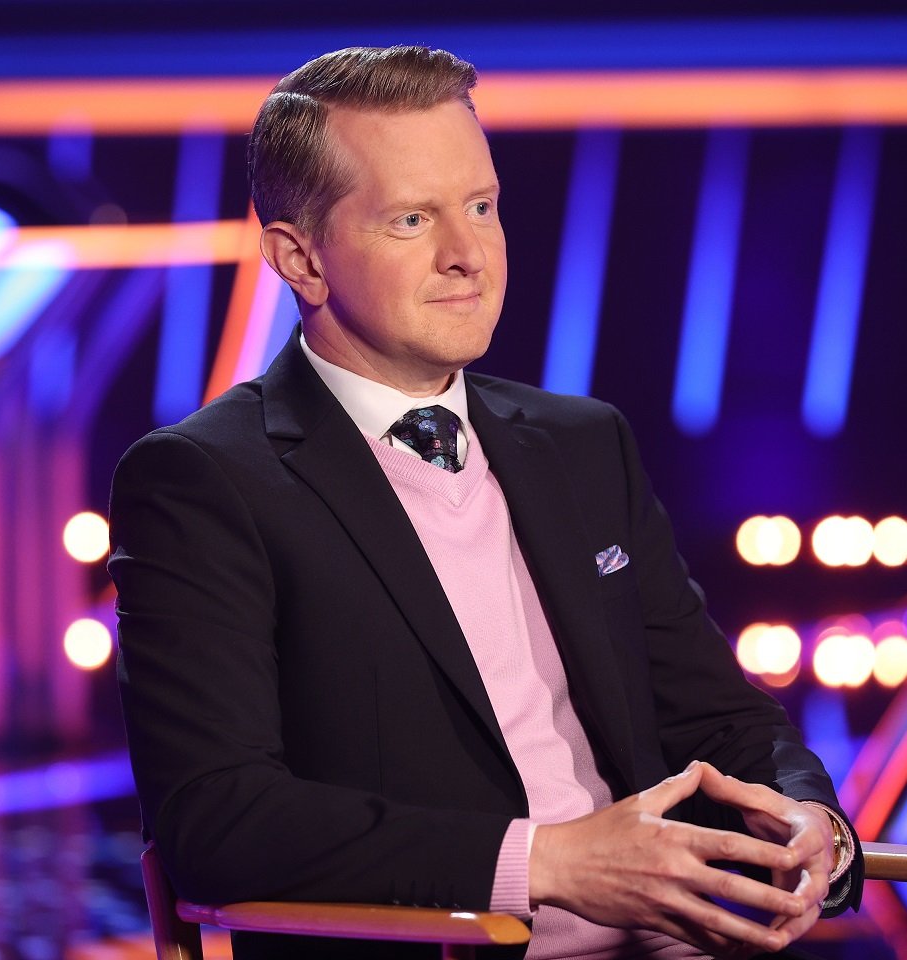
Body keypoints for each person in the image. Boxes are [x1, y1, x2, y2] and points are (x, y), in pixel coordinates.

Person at [109, 45, 863, 960]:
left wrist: (813, 821)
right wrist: (545, 864)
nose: (469, 255)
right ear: (300, 258)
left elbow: (721, 718)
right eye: (413, 219)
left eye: (481, 207)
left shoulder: (586, 443)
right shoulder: (202, 480)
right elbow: (219, 820)